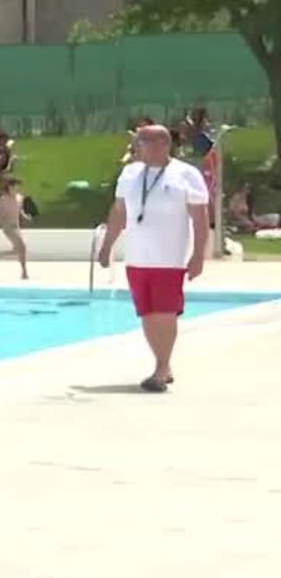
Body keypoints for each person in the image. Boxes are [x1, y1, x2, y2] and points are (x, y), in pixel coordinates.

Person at [97, 123, 211, 393]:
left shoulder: (186, 174)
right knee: (147, 313)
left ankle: (162, 366)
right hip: (137, 258)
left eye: (141, 142)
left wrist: (198, 255)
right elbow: (119, 211)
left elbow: (200, 218)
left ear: (163, 144)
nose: (136, 148)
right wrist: (107, 245)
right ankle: (161, 364)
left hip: (168, 258)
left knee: (165, 312)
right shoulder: (130, 174)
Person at [0, 176, 30, 280]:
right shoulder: (3, 199)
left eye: (17, 187)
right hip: (8, 227)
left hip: (16, 226)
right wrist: (2, 221)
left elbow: (20, 210)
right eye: (14, 187)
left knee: (17, 250)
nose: (16, 189)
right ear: (9, 187)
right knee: (22, 247)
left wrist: (25, 216)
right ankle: (24, 273)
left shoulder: (20, 198)